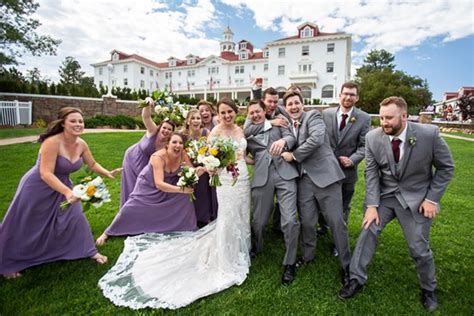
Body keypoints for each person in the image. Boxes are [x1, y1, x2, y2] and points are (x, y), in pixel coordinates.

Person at [98, 98, 251, 309]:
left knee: (242, 211)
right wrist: (211, 166)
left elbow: (236, 155)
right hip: (224, 178)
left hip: (242, 177)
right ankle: (227, 251)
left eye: (229, 112)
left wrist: (210, 168)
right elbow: (208, 156)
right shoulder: (214, 132)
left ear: (236, 112)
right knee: (227, 212)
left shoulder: (241, 130)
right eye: (223, 112)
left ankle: (243, 244)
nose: (226, 115)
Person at [338, 97, 454, 312]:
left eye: (389, 118)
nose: (384, 122)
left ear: (403, 116)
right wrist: (372, 205)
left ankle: (428, 289)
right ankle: (356, 278)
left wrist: (431, 199)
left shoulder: (429, 135)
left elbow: (446, 168)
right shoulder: (373, 138)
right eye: (381, 117)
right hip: (384, 197)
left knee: (418, 247)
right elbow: (371, 173)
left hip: (417, 199)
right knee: (367, 230)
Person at [0, 107, 121, 278]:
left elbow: (92, 164)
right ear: (63, 123)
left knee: (75, 216)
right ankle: (8, 262)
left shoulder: (81, 144)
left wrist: (106, 172)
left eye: (80, 121)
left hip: (63, 186)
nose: (78, 124)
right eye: (73, 121)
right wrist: (67, 192)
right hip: (37, 187)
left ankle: (89, 251)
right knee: (26, 223)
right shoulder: (51, 142)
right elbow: (45, 173)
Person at [281, 91, 351, 285]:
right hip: (303, 181)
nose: (294, 107)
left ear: (303, 104)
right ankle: (308, 255)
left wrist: (294, 156)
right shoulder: (287, 124)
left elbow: (317, 139)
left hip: (325, 176)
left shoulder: (313, 116)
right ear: (286, 108)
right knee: (307, 222)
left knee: (336, 222)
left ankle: (347, 266)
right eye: (290, 104)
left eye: (296, 103)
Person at [96, 133, 203, 245]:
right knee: (132, 207)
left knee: (185, 199)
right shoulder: (158, 157)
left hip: (170, 184)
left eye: (181, 143)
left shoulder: (183, 154)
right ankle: (108, 232)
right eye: (174, 142)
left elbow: (191, 171)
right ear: (167, 144)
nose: (178, 145)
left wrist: (204, 168)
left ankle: (186, 227)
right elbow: (159, 184)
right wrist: (181, 189)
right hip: (149, 185)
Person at [244, 99, 300, 285]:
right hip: (262, 177)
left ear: (264, 110)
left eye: (258, 111)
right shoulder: (248, 131)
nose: (255, 115)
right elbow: (243, 135)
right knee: (259, 221)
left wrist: (284, 140)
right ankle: (256, 248)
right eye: (251, 113)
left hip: (285, 174)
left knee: (290, 220)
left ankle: (290, 262)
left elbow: (292, 138)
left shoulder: (280, 122)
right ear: (248, 115)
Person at [319, 82, 371, 255]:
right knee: (323, 203)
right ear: (339, 95)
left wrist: (352, 160)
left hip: (347, 172)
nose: (348, 97)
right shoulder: (326, 114)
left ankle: (338, 240)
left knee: (342, 207)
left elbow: (365, 146)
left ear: (357, 98)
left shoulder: (364, 118)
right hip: (326, 170)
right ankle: (324, 226)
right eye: (346, 93)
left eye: (352, 94)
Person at [120, 98, 175, 207]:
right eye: (164, 128)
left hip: (147, 165)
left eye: (169, 129)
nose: (166, 131)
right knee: (131, 187)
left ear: (172, 132)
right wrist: (147, 104)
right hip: (133, 159)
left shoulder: (168, 144)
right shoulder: (153, 131)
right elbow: (146, 117)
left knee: (143, 189)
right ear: (160, 127)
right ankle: (126, 211)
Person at [181, 109, 218, 226]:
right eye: (193, 118)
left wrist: (207, 166)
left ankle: (212, 215)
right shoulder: (184, 136)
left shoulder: (206, 132)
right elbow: (184, 156)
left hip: (207, 165)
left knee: (209, 182)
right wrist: (194, 171)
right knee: (198, 182)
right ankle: (199, 217)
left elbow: (211, 151)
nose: (196, 121)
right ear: (187, 121)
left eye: (198, 118)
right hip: (192, 167)